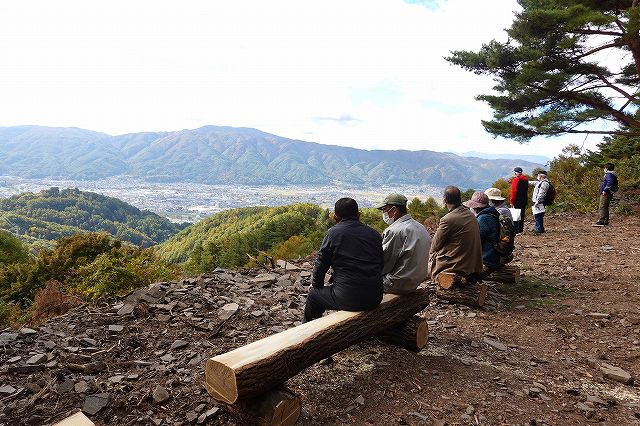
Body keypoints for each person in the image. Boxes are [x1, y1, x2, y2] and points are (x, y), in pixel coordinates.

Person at [304, 197, 384, 322]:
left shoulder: (333, 234)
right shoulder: (374, 234)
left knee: (313, 296)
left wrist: (316, 285)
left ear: (335, 217)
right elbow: (380, 263)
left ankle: (309, 332)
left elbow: (321, 264)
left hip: (349, 298)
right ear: (358, 215)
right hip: (375, 296)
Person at [375, 193, 432, 294]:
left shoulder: (394, 231)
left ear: (394, 210)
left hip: (396, 283)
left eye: (384, 209)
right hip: (416, 281)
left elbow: (384, 263)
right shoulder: (420, 227)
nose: (383, 213)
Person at [429, 186, 483, 282]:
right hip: (473, 264)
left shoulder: (447, 219)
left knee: (428, 263)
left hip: (458, 265)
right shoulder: (471, 215)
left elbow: (435, 245)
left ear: (445, 201)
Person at [463, 191, 501, 274]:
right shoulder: (492, 213)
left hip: (487, 259)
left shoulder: (483, 219)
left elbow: (473, 240)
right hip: (493, 255)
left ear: (476, 207)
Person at [510, 167, 529, 234]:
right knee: (522, 214)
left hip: (517, 201)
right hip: (524, 199)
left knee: (516, 215)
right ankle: (521, 229)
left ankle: (516, 229)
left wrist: (511, 201)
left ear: (516, 172)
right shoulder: (526, 179)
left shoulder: (516, 180)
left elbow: (514, 191)